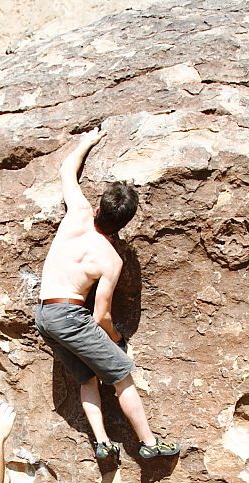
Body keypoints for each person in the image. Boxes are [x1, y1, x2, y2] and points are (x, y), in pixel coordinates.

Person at [35, 128, 179, 461]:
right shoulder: (110, 259)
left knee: (87, 376)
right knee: (121, 375)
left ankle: (103, 443)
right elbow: (100, 316)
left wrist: (88, 140)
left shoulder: (77, 214)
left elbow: (66, 170)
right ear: (125, 223)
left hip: (44, 313)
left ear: (99, 207)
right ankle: (149, 443)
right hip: (70, 316)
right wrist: (116, 338)